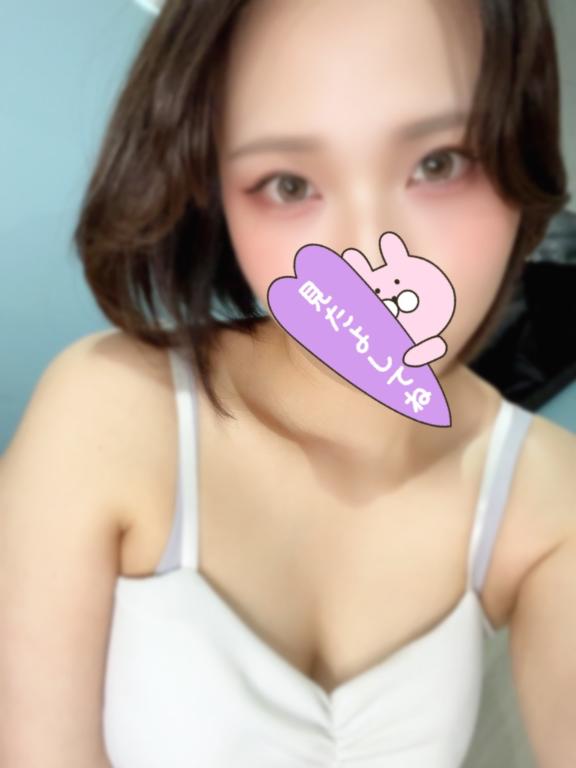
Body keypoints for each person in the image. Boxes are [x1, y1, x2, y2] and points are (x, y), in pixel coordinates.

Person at [1, 0, 575, 766]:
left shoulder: (545, 494)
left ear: (519, 155)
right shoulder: (108, 415)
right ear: (215, 192)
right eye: (289, 184)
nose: (367, 253)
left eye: (438, 163)